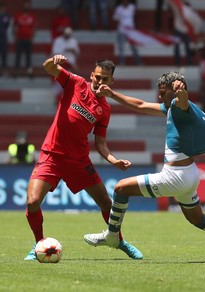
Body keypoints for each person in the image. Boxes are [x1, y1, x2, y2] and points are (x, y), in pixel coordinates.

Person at [83, 71, 205, 262]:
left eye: (163, 93)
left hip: (175, 176)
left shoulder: (180, 106)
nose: (159, 96)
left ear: (174, 92)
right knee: (197, 218)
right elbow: (140, 105)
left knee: (120, 188)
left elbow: (183, 100)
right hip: (189, 174)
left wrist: (181, 92)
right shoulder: (171, 107)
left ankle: (112, 236)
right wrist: (113, 95)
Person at [23, 54, 143, 261]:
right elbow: (48, 68)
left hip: (79, 161)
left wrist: (114, 160)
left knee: (107, 203)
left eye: (105, 79)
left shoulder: (105, 109)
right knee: (33, 202)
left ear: (111, 82)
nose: (100, 82)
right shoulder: (76, 83)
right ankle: (39, 244)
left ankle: (119, 240)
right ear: (91, 76)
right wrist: (54, 61)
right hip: (52, 155)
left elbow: (100, 144)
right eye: (97, 77)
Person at [113, 0, 142, 65]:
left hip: (130, 31)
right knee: (121, 47)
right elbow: (115, 18)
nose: (125, 2)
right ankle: (121, 62)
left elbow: (133, 15)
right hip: (122, 30)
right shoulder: (119, 8)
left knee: (133, 46)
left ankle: (138, 62)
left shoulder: (132, 7)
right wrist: (120, 22)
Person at [13, 0, 37, 77]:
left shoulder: (32, 16)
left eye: (27, 5)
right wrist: (15, 37)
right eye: (25, 5)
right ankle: (16, 72)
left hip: (28, 39)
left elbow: (34, 28)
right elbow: (14, 27)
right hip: (20, 39)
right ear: (22, 6)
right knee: (18, 56)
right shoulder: (18, 15)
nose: (26, 6)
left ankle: (29, 72)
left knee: (28, 57)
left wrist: (32, 37)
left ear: (29, 6)